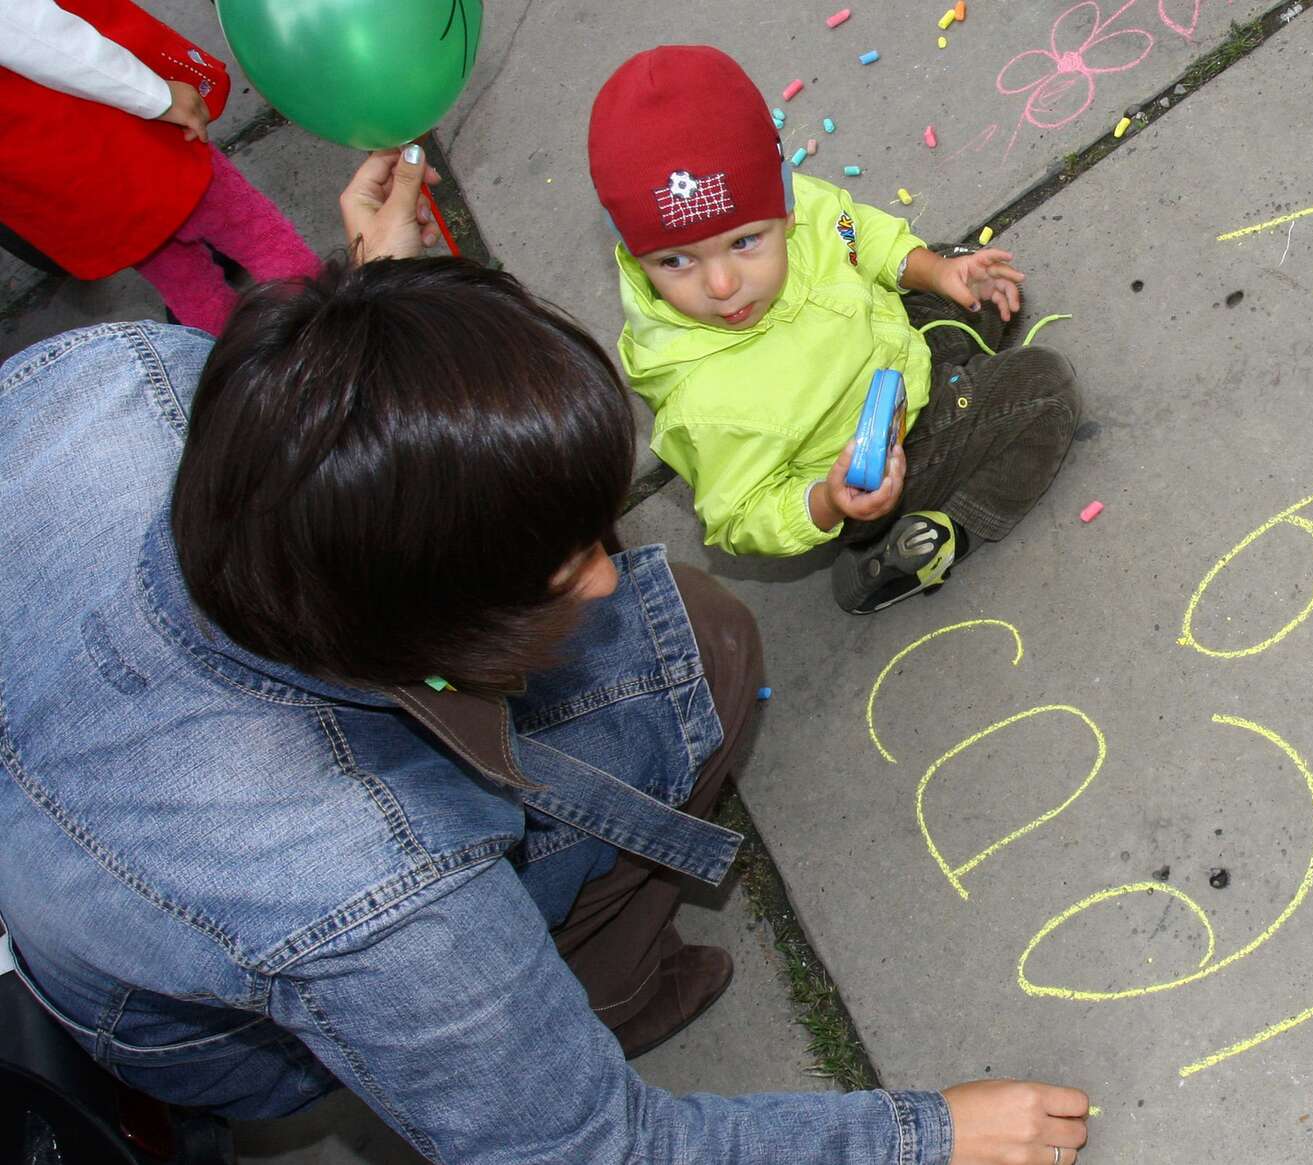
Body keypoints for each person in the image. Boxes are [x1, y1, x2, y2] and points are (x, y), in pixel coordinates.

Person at [0, 146, 1090, 1165]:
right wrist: (924, 1134)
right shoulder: (380, 894)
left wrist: (390, 334)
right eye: (554, 567)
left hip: (93, 840)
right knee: (695, 648)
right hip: (225, 1017)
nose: (604, 572)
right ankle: (591, 990)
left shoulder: (104, 381)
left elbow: (290, 439)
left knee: (655, 631)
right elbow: (593, 1150)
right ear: (420, 647)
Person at [586, 45, 1083, 614]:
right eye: (676, 262)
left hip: (887, 348)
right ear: (634, 254)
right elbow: (740, 515)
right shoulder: (704, 403)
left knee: (968, 271)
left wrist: (934, 271)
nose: (722, 284)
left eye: (744, 242)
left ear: (786, 207)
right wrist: (828, 501)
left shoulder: (793, 206)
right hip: (876, 464)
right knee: (1045, 388)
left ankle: (955, 355)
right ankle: (922, 542)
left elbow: (855, 232)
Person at [0, 0, 320, 333]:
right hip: (116, 140)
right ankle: (331, 339)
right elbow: (38, 35)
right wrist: (156, 96)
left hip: (50, 183)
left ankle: (249, 371)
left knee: (189, 289)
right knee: (261, 240)